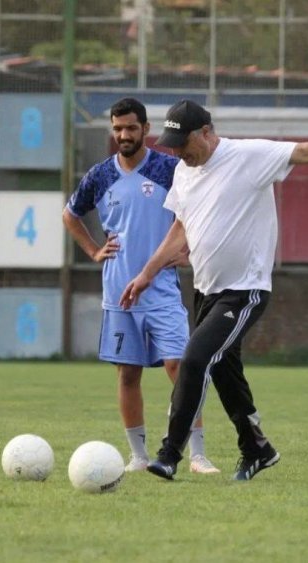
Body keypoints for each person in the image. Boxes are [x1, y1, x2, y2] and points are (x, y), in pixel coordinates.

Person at [120, 99, 308, 481]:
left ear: (207, 133)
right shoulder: (183, 172)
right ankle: (257, 448)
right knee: (227, 375)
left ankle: (169, 453)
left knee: (194, 360)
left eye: (184, 142)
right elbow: (180, 228)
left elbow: (304, 151)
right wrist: (147, 273)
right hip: (207, 291)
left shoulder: (247, 155)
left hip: (245, 291)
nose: (178, 151)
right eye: (173, 143)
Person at [63, 97, 220, 474]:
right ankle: (138, 456)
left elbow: (200, 209)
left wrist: (189, 250)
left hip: (162, 289)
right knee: (128, 373)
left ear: (146, 129)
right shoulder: (100, 175)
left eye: (131, 128)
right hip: (118, 293)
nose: (124, 135)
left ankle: (196, 454)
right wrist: (93, 250)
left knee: (180, 367)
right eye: (117, 129)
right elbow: (70, 215)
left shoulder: (170, 169)